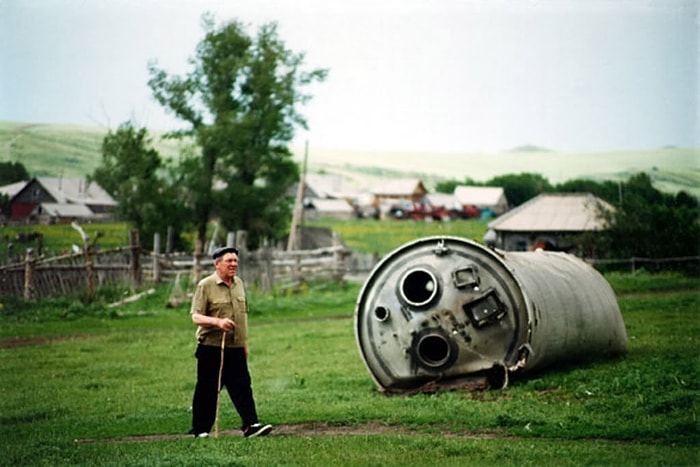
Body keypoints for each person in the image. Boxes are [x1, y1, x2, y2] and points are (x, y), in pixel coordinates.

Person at [188, 246, 272, 438]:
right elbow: (196, 317)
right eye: (229, 261)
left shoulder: (239, 284)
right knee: (207, 388)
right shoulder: (205, 285)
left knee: (243, 386)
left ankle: (251, 425)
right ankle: (200, 430)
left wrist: (244, 344)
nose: (234, 264)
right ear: (217, 264)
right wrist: (217, 322)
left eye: (235, 261)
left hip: (235, 347)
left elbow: (242, 318)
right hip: (211, 347)